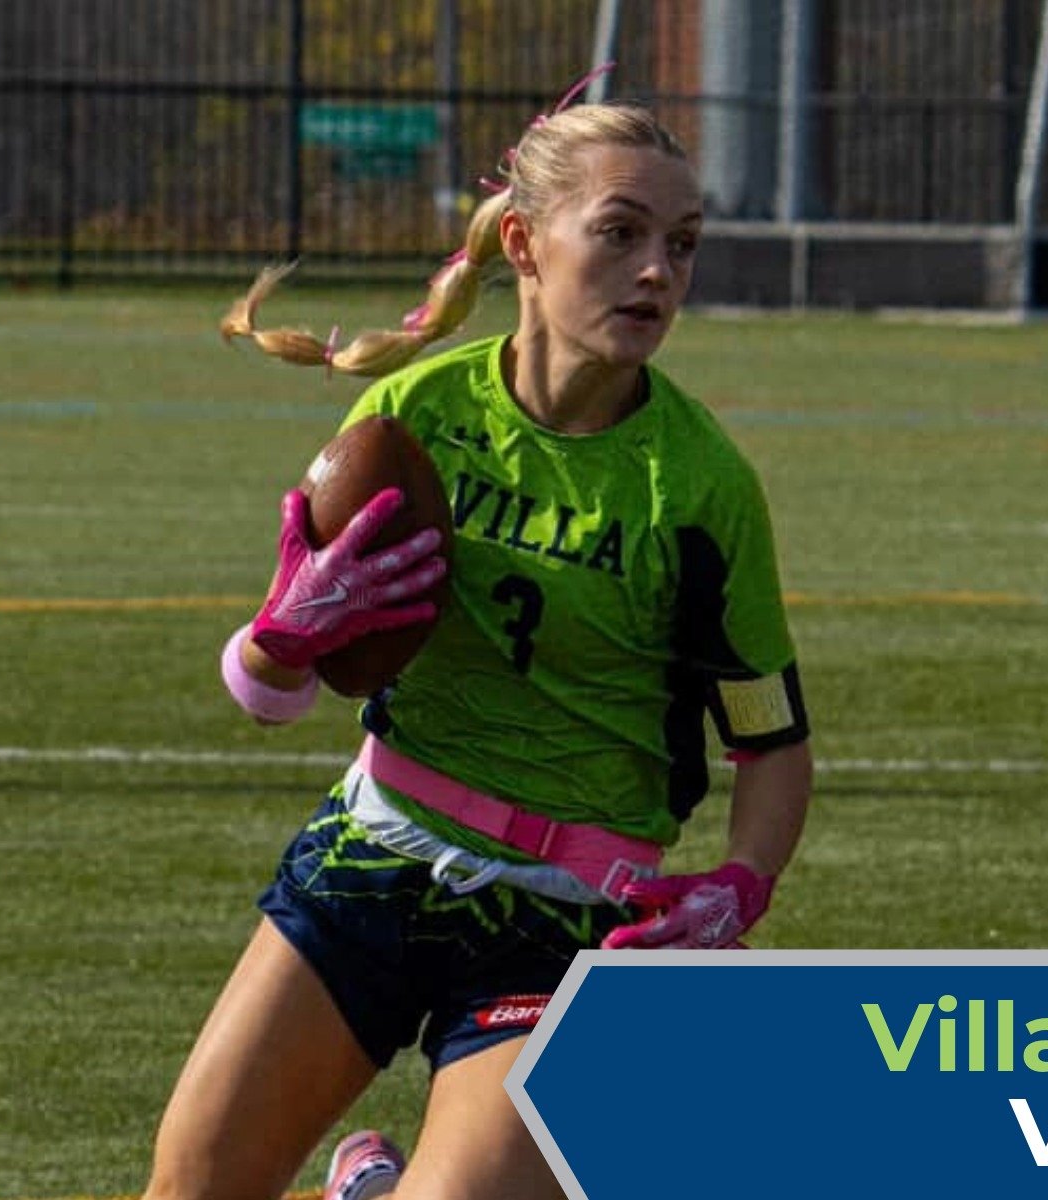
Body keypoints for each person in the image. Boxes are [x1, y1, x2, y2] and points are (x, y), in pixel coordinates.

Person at [142, 95, 813, 1200]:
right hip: (372, 860)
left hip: (570, 922)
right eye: (621, 232)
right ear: (522, 243)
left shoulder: (700, 489)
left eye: (681, 245)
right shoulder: (414, 418)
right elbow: (267, 697)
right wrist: (283, 633)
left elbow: (771, 741)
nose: (658, 273)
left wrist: (741, 886)